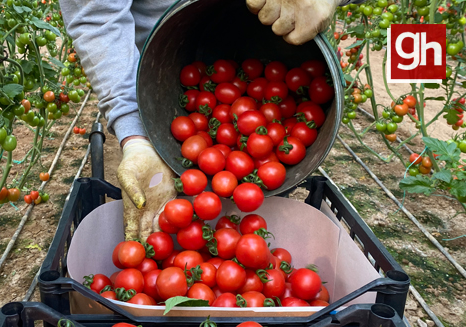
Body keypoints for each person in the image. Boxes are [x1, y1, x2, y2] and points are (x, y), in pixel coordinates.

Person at [59, 0, 357, 241]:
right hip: (167, 79)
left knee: (269, 230)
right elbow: (96, 18)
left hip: (289, 54)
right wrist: (136, 135)